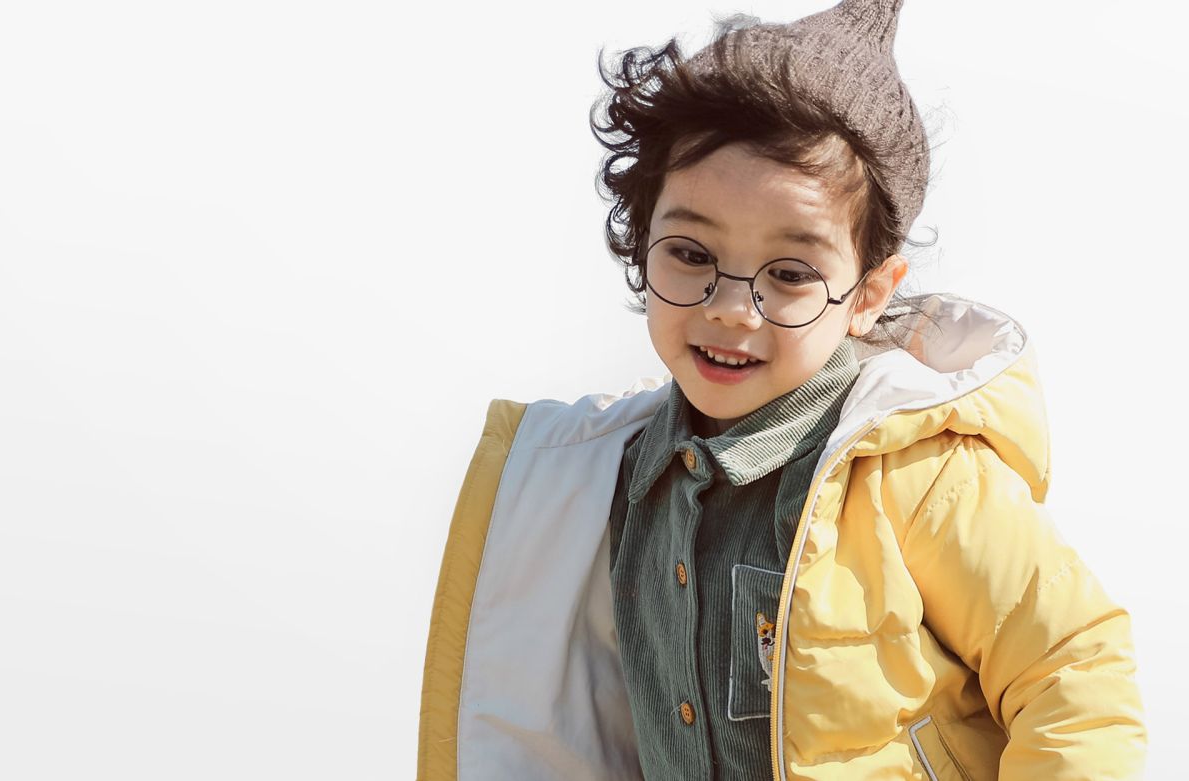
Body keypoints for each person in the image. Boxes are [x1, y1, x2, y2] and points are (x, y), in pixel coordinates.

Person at [417, 1, 1147, 778]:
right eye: (691, 253)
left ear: (869, 295)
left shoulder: (916, 473)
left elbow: (1075, 665)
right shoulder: (608, 480)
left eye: (791, 272)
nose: (732, 308)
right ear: (641, 239)